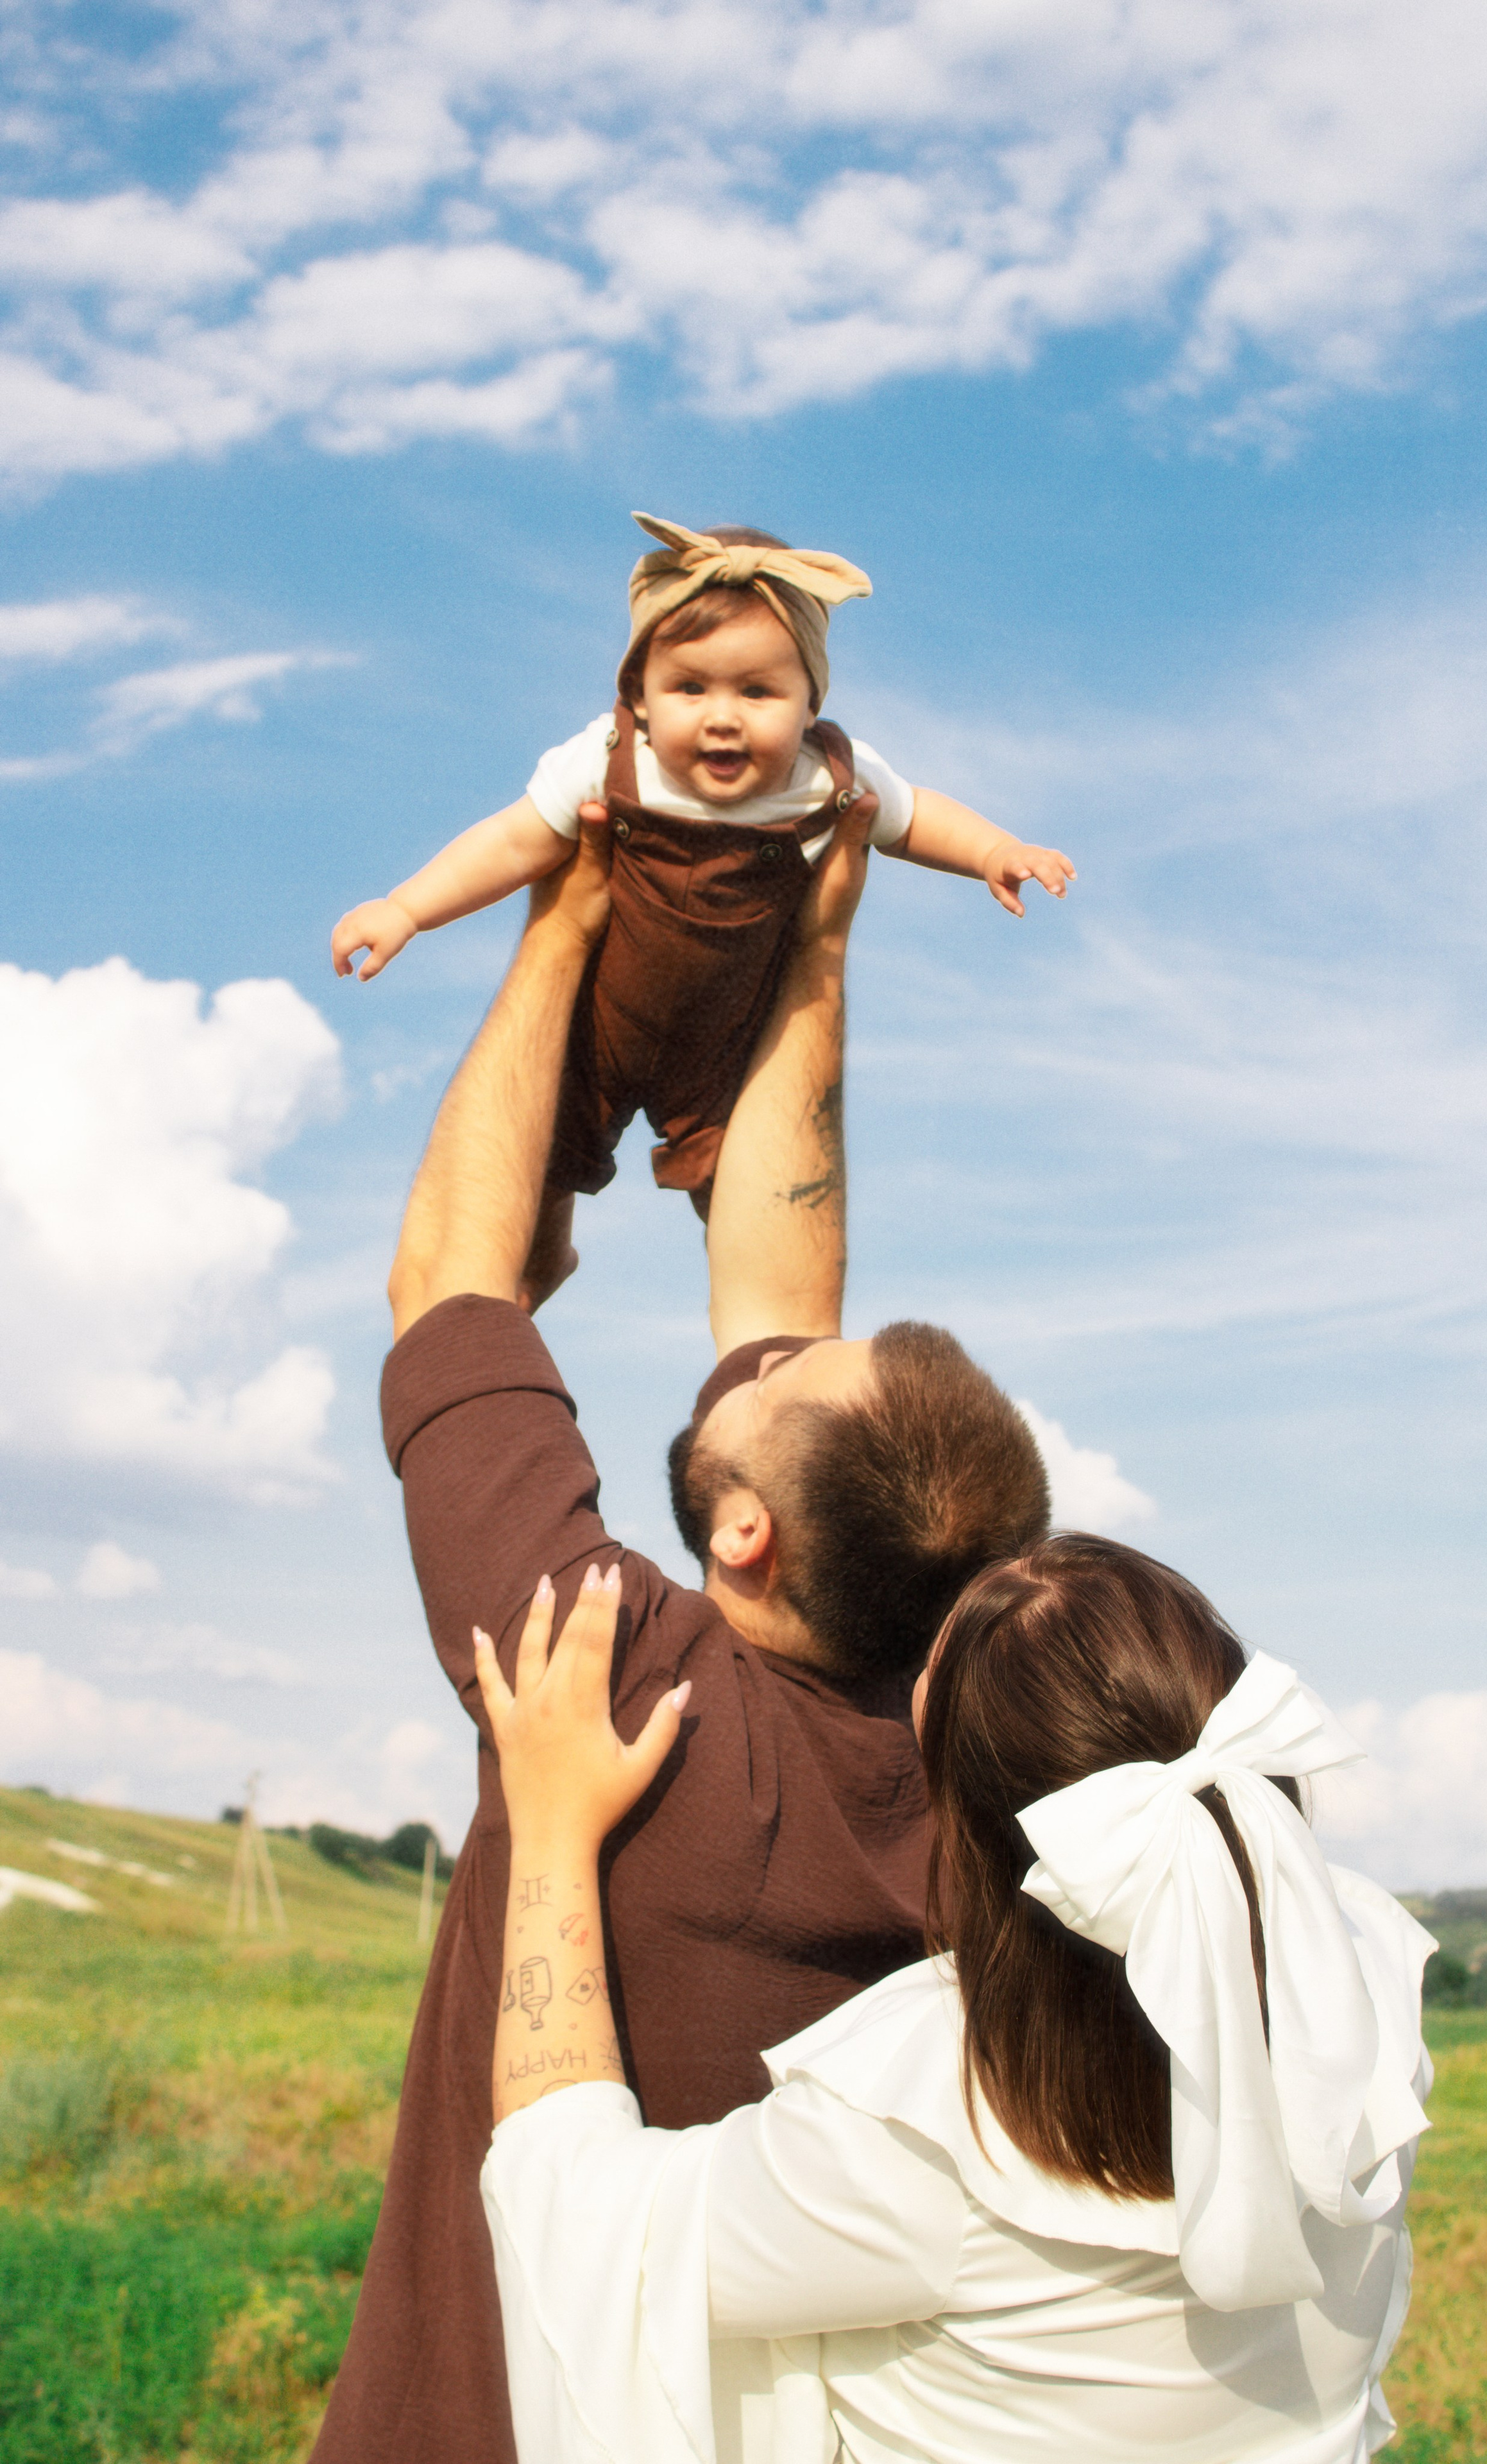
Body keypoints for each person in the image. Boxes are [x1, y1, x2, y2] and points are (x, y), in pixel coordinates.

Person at [307, 814, 1051, 2464]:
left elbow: (450, 1276)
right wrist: (822, 949)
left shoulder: (616, 1688)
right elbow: (779, 1275)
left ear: (745, 1535)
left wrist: (565, 918)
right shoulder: (988, 1781)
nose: (763, 1354)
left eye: (781, 1384)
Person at [478, 1534, 1436, 2464]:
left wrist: (554, 1829)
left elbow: (585, 2211)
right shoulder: (1363, 1984)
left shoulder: (926, 2136)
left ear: (967, 1840)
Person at [330, 511, 1075, 1292]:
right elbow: (513, 842)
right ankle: (545, 1262)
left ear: (809, 704)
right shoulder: (611, 760)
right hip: (599, 1028)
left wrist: (995, 851)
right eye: (689, 687)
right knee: (539, 1153)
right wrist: (407, 908)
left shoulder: (825, 776)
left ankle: (755, 1316)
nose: (722, 716)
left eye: (759, 691)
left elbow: (916, 816)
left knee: (754, 1188)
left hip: (729, 1043)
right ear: (640, 695)